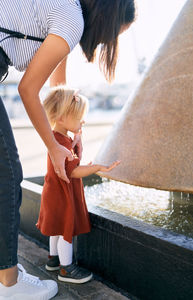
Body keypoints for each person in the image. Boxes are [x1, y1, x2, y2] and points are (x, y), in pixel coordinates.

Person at [0, 0, 136, 299]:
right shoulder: (73, 20)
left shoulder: (66, 9)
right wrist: (53, 145)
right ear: (105, 20)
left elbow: (56, 86)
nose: (104, 44)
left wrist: (71, 131)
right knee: (7, 177)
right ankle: (8, 284)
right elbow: (27, 89)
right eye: (110, 36)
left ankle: (5, 273)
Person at [36, 86, 120, 284]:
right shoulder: (62, 141)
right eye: (80, 117)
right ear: (62, 118)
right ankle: (66, 269)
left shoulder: (57, 138)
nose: (83, 121)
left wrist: (77, 141)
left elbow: (69, 160)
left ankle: (53, 259)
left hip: (53, 192)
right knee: (67, 230)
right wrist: (98, 167)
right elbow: (73, 171)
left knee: (56, 228)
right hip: (63, 193)